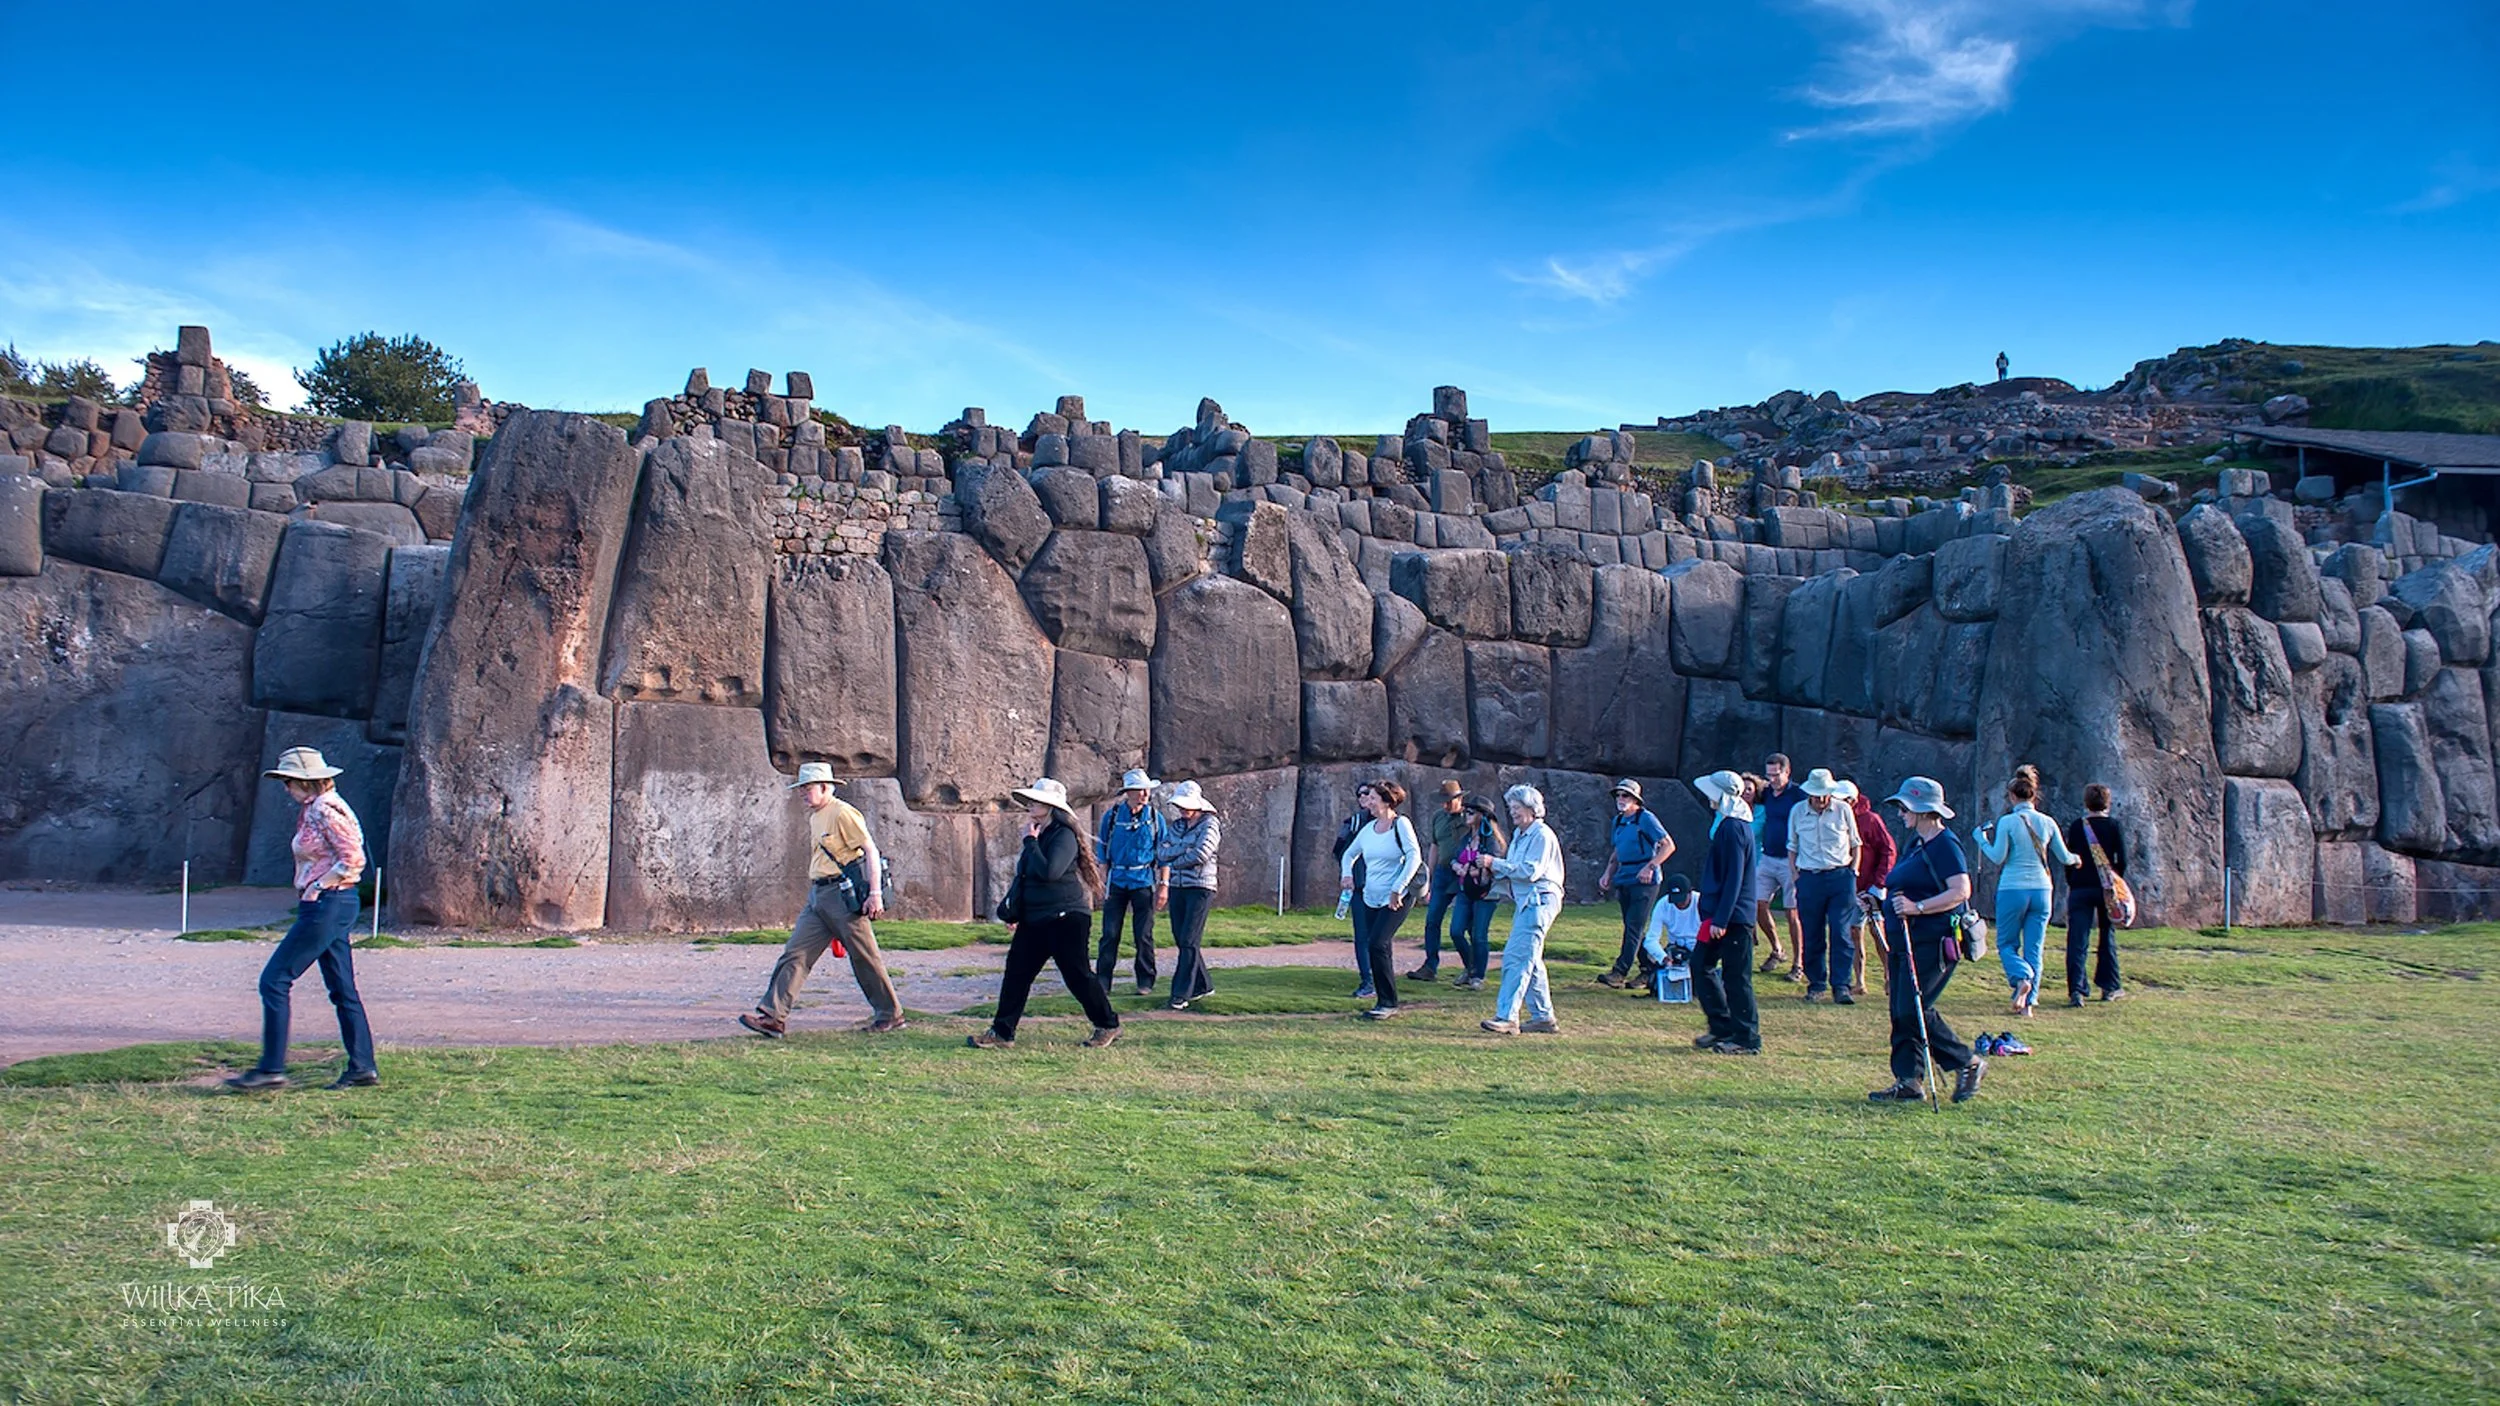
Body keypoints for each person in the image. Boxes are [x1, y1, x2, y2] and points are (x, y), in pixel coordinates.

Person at [226, 747, 379, 1091]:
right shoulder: (319, 807)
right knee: (342, 989)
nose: (285, 789)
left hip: (328, 903)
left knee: (275, 981)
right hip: (334, 903)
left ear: (305, 782)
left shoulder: (325, 809)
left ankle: (271, 1069)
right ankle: (362, 1067)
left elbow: (354, 859)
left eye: (288, 782)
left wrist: (318, 887)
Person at [741, 763, 905, 1039]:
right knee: (796, 952)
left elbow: (870, 850)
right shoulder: (816, 816)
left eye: (807, 789)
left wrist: (875, 893)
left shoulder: (843, 813)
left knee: (864, 956)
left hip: (841, 895)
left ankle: (890, 1014)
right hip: (819, 894)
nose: (803, 794)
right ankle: (773, 1017)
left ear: (825, 788)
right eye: (802, 789)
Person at [969, 778, 1123, 1050]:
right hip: (1036, 918)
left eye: (1036, 801)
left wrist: (1030, 842)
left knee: (1077, 975)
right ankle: (1002, 1032)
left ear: (1051, 806)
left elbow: (1050, 872)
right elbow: (1026, 877)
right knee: (1016, 973)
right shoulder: (1040, 834)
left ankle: (1108, 1024)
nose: (1030, 804)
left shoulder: (1062, 835)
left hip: (1066, 918)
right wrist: (1016, 912)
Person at [1870, 776, 1987, 1104]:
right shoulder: (1915, 843)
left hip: (1933, 941)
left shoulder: (1945, 845)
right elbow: (1904, 886)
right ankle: (1908, 1081)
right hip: (1903, 938)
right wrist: (1880, 903)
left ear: (1922, 810)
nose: (1900, 813)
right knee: (1899, 1007)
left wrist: (1917, 908)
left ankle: (1967, 1062)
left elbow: (1960, 890)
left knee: (1914, 1007)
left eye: (1905, 807)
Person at [1975, 763, 2076, 1018]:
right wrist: (2077, 859)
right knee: (2035, 947)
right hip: (2042, 889)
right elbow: (2064, 857)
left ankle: (2022, 977)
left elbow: (1998, 857)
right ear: (2034, 795)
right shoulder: (2048, 822)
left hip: (2013, 887)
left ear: (2012, 796)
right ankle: (2028, 1004)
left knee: (2007, 944)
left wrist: (1981, 841)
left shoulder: (2008, 822)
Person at [1481, 785, 1564, 1035]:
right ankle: (1542, 1017)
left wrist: (1494, 863)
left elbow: (1530, 871)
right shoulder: (1520, 834)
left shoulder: (1542, 835)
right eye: (1511, 808)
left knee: (1516, 958)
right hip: (1527, 901)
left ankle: (1507, 1016)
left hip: (1539, 901)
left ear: (1531, 808)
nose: (1513, 812)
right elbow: (1515, 872)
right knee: (1531, 959)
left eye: (1517, 808)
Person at [1690, 771, 1761, 1055]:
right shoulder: (1730, 825)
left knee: (1736, 977)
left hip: (1732, 917)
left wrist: (1721, 918)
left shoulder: (1733, 828)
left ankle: (1746, 1038)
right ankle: (1722, 1027)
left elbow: (1735, 877)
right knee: (1701, 964)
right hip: (1722, 914)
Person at [1339, 779, 1423, 1020]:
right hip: (1371, 897)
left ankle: (1387, 1001)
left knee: (1377, 942)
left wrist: (1398, 888)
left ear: (1387, 801)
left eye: (1373, 798)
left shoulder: (1401, 824)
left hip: (1397, 897)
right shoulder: (1368, 829)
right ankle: (1383, 1000)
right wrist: (1347, 874)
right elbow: (1349, 854)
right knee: (1378, 946)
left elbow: (1413, 856)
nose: (1369, 802)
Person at [1787, 768, 1862, 1005]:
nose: (1820, 800)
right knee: (1812, 932)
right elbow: (1792, 846)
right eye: (1816, 795)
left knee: (1841, 931)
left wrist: (1853, 871)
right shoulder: (1797, 811)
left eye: (1824, 795)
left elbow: (1855, 843)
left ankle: (1841, 985)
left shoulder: (1843, 809)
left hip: (1840, 876)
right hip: (1809, 877)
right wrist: (1796, 875)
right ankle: (1816, 983)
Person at [1094, 768, 1169, 999]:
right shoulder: (1113, 816)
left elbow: (1164, 854)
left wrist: (1164, 885)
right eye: (1140, 790)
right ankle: (1103, 981)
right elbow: (1102, 851)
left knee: (1143, 934)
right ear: (1129, 792)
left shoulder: (1156, 818)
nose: (1146, 794)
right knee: (1110, 933)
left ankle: (1145, 981)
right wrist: (1101, 881)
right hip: (1117, 881)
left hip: (1143, 881)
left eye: (1147, 789)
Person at [1596, 779, 1674, 988]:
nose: (1621, 799)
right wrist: (1608, 873)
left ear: (1635, 799)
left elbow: (1668, 846)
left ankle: (1619, 971)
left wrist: (1650, 867)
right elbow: (1617, 851)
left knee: (1634, 926)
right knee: (1634, 927)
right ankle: (1648, 969)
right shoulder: (1618, 821)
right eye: (1619, 795)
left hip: (1645, 880)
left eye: (1626, 795)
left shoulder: (1646, 818)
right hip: (1625, 876)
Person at [1157, 780, 1222, 1010]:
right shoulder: (1176, 825)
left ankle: (1180, 993)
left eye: (1186, 806)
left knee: (1188, 939)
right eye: (1180, 806)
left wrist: (1176, 859)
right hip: (1178, 887)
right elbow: (1162, 852)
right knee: (1182, 937)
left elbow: (1202, 853)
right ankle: (1204, 985)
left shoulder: (1210, 823)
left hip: (1201, 888)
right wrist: (1183, 853)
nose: (1182, 810)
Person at [2063, 783, 2128, 1006]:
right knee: (2106, 936)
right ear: (2107, 803)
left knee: (2077, 939)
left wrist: (2072, 880)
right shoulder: (2114, 826)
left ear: (2086, 802)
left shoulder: (2077, 826)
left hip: (2081, 886)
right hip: (2106, 888)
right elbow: (2123, 859)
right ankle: (2109, 986)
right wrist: (2115, 880)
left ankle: (2077, 990)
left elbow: (2069, 858)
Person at [1409, 780, 1469, 984]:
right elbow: (1434, 846)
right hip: (1443, 872)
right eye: (1443, 801)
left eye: (1449, 801)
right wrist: (1430, 876)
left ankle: (1472, 968)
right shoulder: (1438, 817)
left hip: (1463, 873)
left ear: (1459, 798)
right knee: (1432, 920)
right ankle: (1430, 966)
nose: (1445, 805)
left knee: (1461, 926)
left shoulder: (1469, 817)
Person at [1445, 794, 1507, 991]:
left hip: (1486, 894)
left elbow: (1495, 864)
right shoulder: (1466, 837)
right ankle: (1470, 968)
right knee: (1456, 931)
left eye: (1471, 812)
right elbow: (1455, 858)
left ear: (1482, 815)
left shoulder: (1491, 840)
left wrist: (1478, 868)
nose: (1466, 815)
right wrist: (1458, 867)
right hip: (1465, 890)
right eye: (1466, 811)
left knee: (1479, 934)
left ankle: (1478, 976)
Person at [1753, 755, 1803, 981]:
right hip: (1768, 857)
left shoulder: (1799, 795)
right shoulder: (1767, 795)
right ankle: (1777, 949)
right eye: (1769, 774)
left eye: (1776, 774)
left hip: (1791, 859)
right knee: (1756, 903)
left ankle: (1798, 964)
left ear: (1787, 771)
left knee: (1792, 912)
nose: (1772, 779)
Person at [1847, 781, 1896, 997]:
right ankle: (1859, 981)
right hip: (1852, 888)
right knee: (1854, 933)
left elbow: (1888, 850)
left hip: (1872, 888)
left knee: (1878, 933)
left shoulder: (1871, 820)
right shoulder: (1837, 818)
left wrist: (1879, 883)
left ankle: (1890, 977)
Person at [1636, 872, 1701, 998]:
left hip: (1698, 946)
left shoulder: (1701, 902)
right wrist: (1664, 958)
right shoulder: (1663, 905)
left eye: (1682, 899)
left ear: (1690, 893)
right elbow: (1651, 939)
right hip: (1675, 948)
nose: (1679, 904)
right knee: (1641, 944)